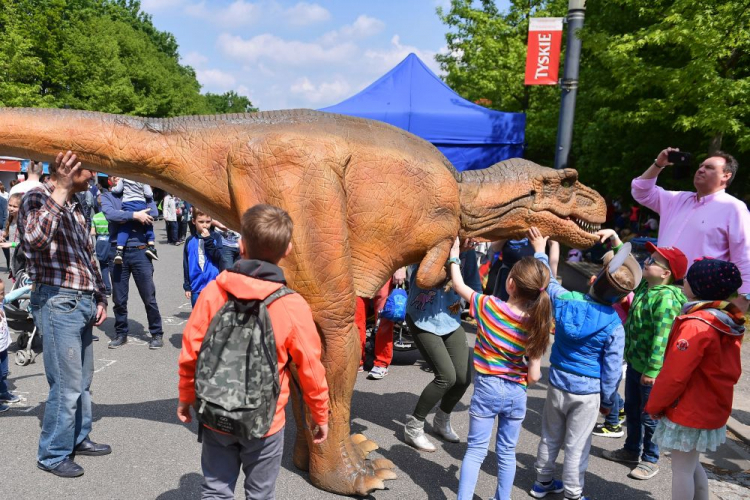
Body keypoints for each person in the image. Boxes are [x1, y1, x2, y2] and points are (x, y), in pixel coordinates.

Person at [177, 203, 329, 499]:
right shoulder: (291, 304)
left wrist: (186, 397)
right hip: (265, 421)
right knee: (260, 494)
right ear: (287, 250)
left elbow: (190, 353)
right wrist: (319, 414)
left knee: (216, 490)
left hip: (216, 413)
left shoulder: (214, 292)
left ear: (241, 245)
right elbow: (311, 367)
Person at [528, 227, 640, 500]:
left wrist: (540, 252)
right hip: (588, 391)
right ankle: (573, 493)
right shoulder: (615, 324)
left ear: (595, 281)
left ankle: (542, 482)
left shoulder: (567, 300)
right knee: (577, 445)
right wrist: (608, 400)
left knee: (550, 436)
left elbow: (549, 282)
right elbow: (612, 370)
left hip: (557, 382)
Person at [18, 151, 109, 478]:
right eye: (90, 168)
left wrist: (100, 296)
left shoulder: (75, 209)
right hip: (57, 302)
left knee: (83, 381)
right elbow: (34, 239)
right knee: (67, 384)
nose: (95, 175)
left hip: (81, 302)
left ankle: (79, 437)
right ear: (67, 169)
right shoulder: (36, 198)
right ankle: (53, 454)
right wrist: (60, 191)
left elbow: (88, 258)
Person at [449, 237, 552, 500]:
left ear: (510, 283)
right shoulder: (537, 323)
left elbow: (459, 285)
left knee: (475, 451)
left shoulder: (488, 306)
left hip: (487, 388)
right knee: (507, 453)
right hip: (516, 393)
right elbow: (535, 375)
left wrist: (454, 254)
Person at [645, 258, 744, 500]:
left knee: (681, 470)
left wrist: (655, 405)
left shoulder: (697, 324)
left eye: (690, 277)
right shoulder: (726, 320)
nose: (685, 280)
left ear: (699, 287)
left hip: (688, 409)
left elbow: (674, 375)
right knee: (691, 465)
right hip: (711, 406)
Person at [601, 236, 687, 479]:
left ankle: (650, 458)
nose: (646, 261)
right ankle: (630, 450)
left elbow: (662, 338)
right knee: (632, 409)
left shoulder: (666, 298)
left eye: (653, 260)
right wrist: (618, 244)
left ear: (666, 273)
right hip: (637, 365)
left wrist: (652, 370)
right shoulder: (645, 287)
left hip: (652, 371)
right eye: (648, 257)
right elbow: (631, 267)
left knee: (649, 416)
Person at [631, 147, 750, 313]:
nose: (700, 169)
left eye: (709, 168)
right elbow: (640, 191)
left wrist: (744, 297)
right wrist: (658, 164)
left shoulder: (734, 208)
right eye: (700, 166)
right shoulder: (677, 199)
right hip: (657, 288)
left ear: (726, 176)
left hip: (697, 297)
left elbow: (744, 255)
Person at [403, 241, 482, 452]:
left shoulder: (469, 252)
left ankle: (441, 419)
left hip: (451, 318)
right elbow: (423, 278)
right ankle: (413, 428)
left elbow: (474, 284)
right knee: (446, 377)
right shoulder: (428, 244)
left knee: (464, 378)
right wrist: (452, 257)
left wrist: (484, 315)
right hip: (422, 318)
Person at [100, 176, 164, 350]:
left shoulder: (143, 192)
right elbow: (111, 215)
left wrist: (125, 217)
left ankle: (156, 333)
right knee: (119, 298)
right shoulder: (108, 196)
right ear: (111, 180)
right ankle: (121, 333)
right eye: (113, 175)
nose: (117, 177)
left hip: (141, 251)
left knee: (149, 296)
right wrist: (136, 215)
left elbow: (155, 213)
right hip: (117, 251)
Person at [355, 267, 406, 380]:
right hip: (357, 270)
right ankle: (356, 360)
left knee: (384, 320)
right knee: (355, 321)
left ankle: (382, 362)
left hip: (383, 268)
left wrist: (400, 268)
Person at [182, 208, 222, 308]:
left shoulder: (216, 237)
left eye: (208, 222)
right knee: (197, 315)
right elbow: (186, 263)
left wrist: (208, 239)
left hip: (213, 284)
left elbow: (218, 256)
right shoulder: (190, 240)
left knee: (213, 315)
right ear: (194, 221)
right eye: (201, 222)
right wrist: (187, 286)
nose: (205, 225)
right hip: (195, 285)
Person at [110, 178, 157, 263]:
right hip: (141, 203)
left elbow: (117, 190)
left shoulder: (123, 178)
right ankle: (151, 246)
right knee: (148, 222)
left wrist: (112, 189)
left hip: (127, 204)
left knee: (125, 227)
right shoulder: (143, 179)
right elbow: (149, 194)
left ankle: (119, 251)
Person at [0, 279, 21, 413]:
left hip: (3, 347)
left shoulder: (1, 302)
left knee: (4, 373)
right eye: (0, 293)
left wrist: (28, 288)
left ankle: (3, 393)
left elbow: (12, 295)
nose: (2, 296)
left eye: (2, 292)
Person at [92, 207, 112, 296]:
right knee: (114, 266)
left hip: (100, 242)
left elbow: (92, 233)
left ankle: (107, 289)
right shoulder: (113, 215)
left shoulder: (95, 217)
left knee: (104, 267)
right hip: (112, 241)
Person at [2, 193, 22, 273]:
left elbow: (28, 244)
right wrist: (3, 237)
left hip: (22, 263)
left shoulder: (23, 222)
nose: (11, 208)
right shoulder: (10, 219)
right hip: (13, 260)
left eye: (15, 206)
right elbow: (9, 234)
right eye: (10, 205)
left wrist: (11, 244)